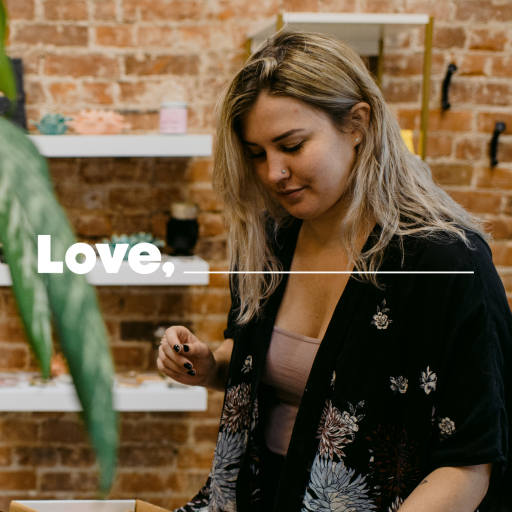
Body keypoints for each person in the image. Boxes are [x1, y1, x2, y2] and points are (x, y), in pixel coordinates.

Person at [157, 31, 511, 512]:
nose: (273, 173)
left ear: (358, 123)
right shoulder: (271, 239)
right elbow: (263, 357)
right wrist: (210, 364)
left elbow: (469, 464)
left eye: (292, 145)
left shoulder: (445, 261)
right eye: (258, 154)